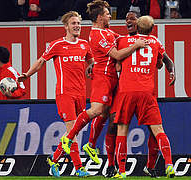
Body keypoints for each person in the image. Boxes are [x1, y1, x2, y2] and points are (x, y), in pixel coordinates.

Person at [60, 0, 147, 165]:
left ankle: (91, 145)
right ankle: (69, 138)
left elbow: (122, 40)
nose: (110, 16)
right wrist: (136, 45)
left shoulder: (107, 32)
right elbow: (117, 54)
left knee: (106, 114)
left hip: (113, 78)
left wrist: (140, 34)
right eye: (107, 14)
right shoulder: (96, 34)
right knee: (97, 109)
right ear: (100, 17)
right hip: (103, 77)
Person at [18, 11, 94, 177]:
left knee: (74, 132)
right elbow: (40, 62)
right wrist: (27, 75)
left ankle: (54, 160)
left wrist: (91, 67)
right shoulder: (56, 45)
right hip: (64, 93)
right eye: (73, 23)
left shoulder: (84, 45)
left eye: (78, 23)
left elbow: (92, 62)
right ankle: (79, 168)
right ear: (66, 26)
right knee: (72, 129)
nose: (77, 26)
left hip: (81, 93)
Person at [101, 10, 176, 178]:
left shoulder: (122, 41)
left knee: (122, 130)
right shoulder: (155, 42)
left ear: (136, 25)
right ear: (152, 28)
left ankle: (121, 171)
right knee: (159, 130)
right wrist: (169, 71)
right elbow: (161, 63)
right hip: (147, 93)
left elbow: (114, 61)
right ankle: (169, 164)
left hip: (126, 91)